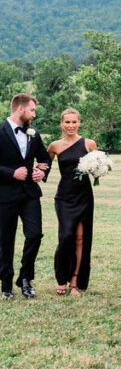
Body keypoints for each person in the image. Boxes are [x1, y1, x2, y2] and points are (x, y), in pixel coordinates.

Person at [0, 93, 50, 299]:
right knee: (5, 241)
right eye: (32, 110)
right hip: (5, 194)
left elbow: (45, 158)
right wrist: (11, 172)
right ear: (20, 109)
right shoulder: (0, 131)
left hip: (30, 193)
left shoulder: (33, 134)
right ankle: (6, 286)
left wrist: (42, 172)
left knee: (35, 234)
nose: (34, 115)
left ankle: (26, 278)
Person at [47, 108, 97, 296]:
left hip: (84, 195)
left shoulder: (89, 143)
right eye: (67, 122)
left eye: (74, 122)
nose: (70, 126)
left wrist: (99, 169)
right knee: (66, 237)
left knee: (80, 239)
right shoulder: (55, 146)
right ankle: (61, 277)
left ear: (79, 123)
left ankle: (74, 282)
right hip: (64, 197)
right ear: (62, 124)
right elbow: (45, 166)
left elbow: (95, 168)